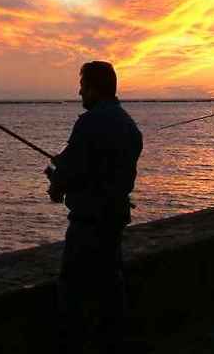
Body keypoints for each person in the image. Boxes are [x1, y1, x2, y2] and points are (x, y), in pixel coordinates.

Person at [45, 61, 143, 354]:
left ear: (94, 88)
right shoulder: (129, 125)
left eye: (83, 85)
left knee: (72, 289)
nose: (79, 92)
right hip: (114, 221)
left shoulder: (87, 123)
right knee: (111, 289)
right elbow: (99, 167)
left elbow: (68, 174)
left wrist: (56, 181)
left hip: (88, 224)